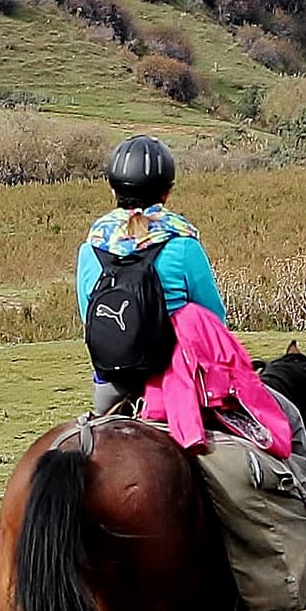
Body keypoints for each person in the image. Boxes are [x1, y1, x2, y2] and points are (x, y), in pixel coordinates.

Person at [77, 134, 227, 418]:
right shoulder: (183, 244)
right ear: (166, 193)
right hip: (179, 381)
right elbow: (214, 319)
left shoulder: (91, 248)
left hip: (111, 382)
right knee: (281, 422)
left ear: (113, 191)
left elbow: (90, 317)